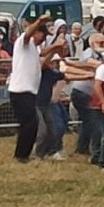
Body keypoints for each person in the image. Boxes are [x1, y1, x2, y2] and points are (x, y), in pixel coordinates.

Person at [9, 15, 64, 164]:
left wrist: (55, 48)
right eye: (42, 34)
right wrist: (40, 21)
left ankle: (23, 154)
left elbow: (43, 58)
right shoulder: (23, 42)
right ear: (35, 32)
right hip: (21, 90)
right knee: (30, 124)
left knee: (30, 124)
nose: (43, 38)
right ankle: (21, 155)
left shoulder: (33, 49)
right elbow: (27, 34)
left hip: (29, 91)